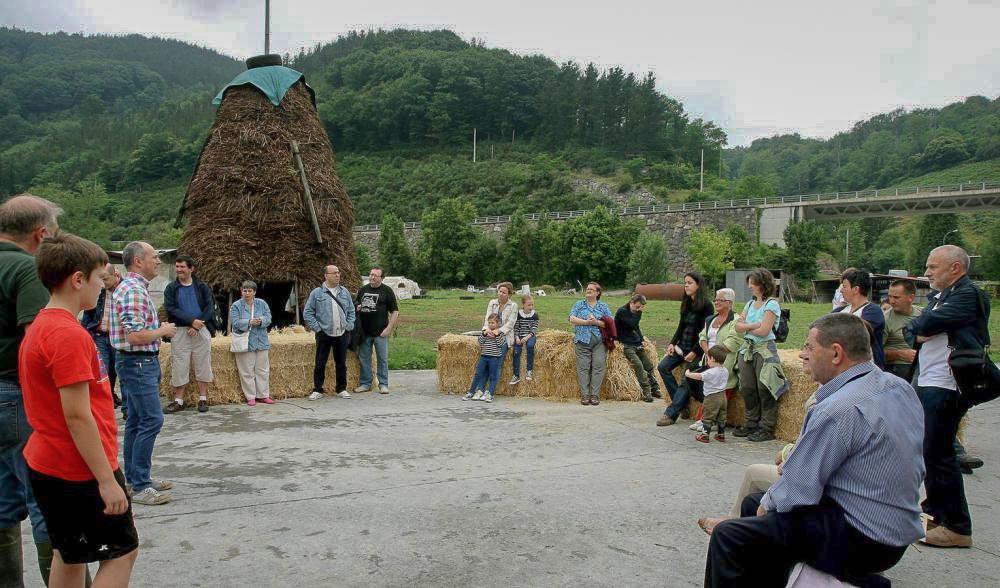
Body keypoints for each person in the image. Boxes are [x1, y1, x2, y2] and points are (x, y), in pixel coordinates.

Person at [705, 313, 925, 588]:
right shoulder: (899, 387)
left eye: (809, 347)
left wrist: (761, 513)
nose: (802, 354)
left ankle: (858, 579)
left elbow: (798, 489)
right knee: (753, 506)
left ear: (836, 353)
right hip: (895, 530)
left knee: (730, 536)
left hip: (864, 538)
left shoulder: (838, 409)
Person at [20, 233, 139, 587]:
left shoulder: (41, 325)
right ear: (77, 279)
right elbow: (77, 415)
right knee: (121, 553)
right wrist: (106, 480)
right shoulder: (69, 335)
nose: (102, 287)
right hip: (78, 468)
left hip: (49, 461)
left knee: (69, 552)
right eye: (99, 279)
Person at [904, 245, 991, 548]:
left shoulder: (969, 294)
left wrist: (923, 326)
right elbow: (910, 331)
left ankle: (956, 526)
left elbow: (923, 324)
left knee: (940, 453)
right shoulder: (940, 298)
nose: (926, 272)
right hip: (930, 380)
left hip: (948, 384)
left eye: (933, 267)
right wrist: (921, 327)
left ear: (955, 268)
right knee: (930, 450)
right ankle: (935, 514)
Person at [0, 194, 61, 585]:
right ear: (40, 234)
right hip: (16, 396)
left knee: (2, 504)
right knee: (47, 501)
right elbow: (38, 344)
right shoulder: (26, 267)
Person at [110, 241, 176, 506]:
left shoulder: (131, 288)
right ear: (138, 261)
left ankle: (136, 478)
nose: (158, 261)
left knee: (137, 421)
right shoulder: (134, 291)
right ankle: (140, 485)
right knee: (151, 420)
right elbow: (135, 335)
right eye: (154, 257)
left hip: (135, 362)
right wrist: (163, 331)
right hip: (138, 362)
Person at [732, 269, 788, 442]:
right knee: (747, 387)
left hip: (764, 349)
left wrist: (746, 326)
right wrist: (754, 325)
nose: (750, 286)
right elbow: (737, 327)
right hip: (747, 349)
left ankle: (766, 427)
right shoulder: (750, 304)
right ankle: (751, 423)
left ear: (763, 284)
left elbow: (764, 331)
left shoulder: (772, 304)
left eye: (753, 283)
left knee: (765, 388)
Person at [656, 272, 713, 426]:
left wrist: (695, 352)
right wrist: (672, 343)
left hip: (697, 350)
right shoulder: (687, 302)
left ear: (698, 285)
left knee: (685, 379)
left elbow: (705, 333)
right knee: (662, 367)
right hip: (682, 347)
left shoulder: (707, 306)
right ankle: (681, 404)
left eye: (689, 283)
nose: (686, 285)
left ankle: (671, 414)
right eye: (685, 282)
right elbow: (681, 326)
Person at [163, 255, 216, 414]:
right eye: (177, 267)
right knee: (179, 364)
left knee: (203, 363)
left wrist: (198, 325)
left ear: (191, 269)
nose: (179, 270)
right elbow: (171, 308)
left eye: (182, 267)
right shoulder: (171, 288)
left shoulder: (202, 287)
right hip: (180, 331)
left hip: (201, 329)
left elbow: (210, 307)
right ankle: (178, 400)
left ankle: (203, 398)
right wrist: (191, 321)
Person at [687, 288, 742, 431]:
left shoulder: (736, 321)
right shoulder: (710, 319)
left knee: (719, 392)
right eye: (715, 299)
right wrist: (708, 354)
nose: (716, 302)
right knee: (708, 391)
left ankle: (708, 421)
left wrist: (715, 357)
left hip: (724, 361)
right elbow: (702, 337)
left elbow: (732, 342)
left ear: (729, 303)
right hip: (709, 359)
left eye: (720, 300)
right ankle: (703, 419)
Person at [304, 265, 356, 400]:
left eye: (338, 272)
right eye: (334, 273)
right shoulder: (317, 293)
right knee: (320, 362)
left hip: (342, 332)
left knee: (341, 363)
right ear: (326, 275)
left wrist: (349, 325)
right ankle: (318, 389)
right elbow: (308, 312)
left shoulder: (344, 292)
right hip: (324, 333)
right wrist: (318, 328)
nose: (337, 275)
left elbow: (351, 310)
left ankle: (341, 389)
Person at [81, 263, 123, 411]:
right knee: (102, 370)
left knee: (117, 370)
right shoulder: (99, 290)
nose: (103, 283)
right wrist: (85, 330)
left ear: (116, 275)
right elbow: (88, 310)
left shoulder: (126, 290)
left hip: (117, 337)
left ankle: (122, 404)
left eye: (105, 279)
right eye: (101, 279)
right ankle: (105, 401)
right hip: (100, 335)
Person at [355, 267, 399, 394]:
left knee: (382, 359)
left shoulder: (387, 291)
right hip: (364, 332)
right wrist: (357, 307)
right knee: (364, 358)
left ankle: (383, 384)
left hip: (381, 332)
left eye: (375, 275)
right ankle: (365, 384)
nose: (372, 277)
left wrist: (389, 329)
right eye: (371, 274)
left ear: (382, 278)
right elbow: (356, 304)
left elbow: (395, 311)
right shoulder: (363, 290)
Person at [229, 280, 273, 406]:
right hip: (245, 342)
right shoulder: (236, 306)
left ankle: (263, 395)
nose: (247, 293)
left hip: (261, 341)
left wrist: (261, 320)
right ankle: (250, 396)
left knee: (262, 370)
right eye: (245, 291)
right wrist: (249, 322)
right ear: (241, 291)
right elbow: (235, 322)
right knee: (247, 371)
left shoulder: (262, 303)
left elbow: (268, 318)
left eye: (249, 291)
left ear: (254, 292)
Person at [568, 281, 612, 406]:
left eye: (591, 289)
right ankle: (585, 395)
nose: (588, 290)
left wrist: (596, 322)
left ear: (598, 293)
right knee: (583, 368)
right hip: (582, 340)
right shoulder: (579, 304)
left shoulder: (603, 306)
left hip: (599, 342)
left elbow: (609, 323)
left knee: (598, 366)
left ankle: (595, 395)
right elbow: (572, 318)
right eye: (587, 289)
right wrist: (586, 322)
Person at [835, 268, 886, 369]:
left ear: (856, 289)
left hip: (867, 369)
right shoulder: (840, 310)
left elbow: (857, 332)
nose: (841, 290)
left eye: (844, 287)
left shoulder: (873, 311)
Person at [614, 294, 660, 402]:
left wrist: (641, 339)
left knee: (648, 365)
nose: (639, 309)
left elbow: (636, 326)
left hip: (635, 342)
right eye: (637, 307)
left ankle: (655, 388)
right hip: (625, 343)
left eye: (641, 307)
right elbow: (632, 324)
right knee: (639, 365)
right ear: (631, 303)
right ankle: (646, 391)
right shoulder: (622, 311)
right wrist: (639, 312)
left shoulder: (635, 312)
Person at [684, 345, 729, 443]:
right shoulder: (725, 370)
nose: (707, 361)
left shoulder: (711, 372)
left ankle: (705, 436)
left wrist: (688, 374)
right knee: (721, 417)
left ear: (712, 358)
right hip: (723, 397)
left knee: (707, 416)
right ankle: (721, 435)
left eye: (708, 358)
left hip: (711, 397)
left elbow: (699, 376)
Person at [882, 279, 921, 380]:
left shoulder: (922, 313)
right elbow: (875, 352)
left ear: (911, 297)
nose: (891, 301)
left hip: (923, 364)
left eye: (896, 297)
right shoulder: (885, 319)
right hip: (898, 368)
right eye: (889, 296)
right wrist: (900, 354)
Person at [462, 314, 505, 403]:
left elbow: (500, 344)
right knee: (478, 374)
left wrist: (496, 335)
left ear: (498, 324)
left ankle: (490, 394)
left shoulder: (500, 334)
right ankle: (471, 392)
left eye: (493, 323)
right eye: (489, 323)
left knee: (493, 376)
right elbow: (480, 341)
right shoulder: (485, 332)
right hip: (484, 357)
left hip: (494, 358)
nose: (490, 325)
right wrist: (484, 334)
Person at [482, 281, 518, 365]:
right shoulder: (492, 303)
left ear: (509, 295)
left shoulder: (513, 306)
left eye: (504, 293)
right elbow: (487, 318)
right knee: (484, 361)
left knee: (497, 363)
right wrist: (487, 331)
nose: (501, 294)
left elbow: (510, 324)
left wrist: (498, 331)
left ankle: (495, 373)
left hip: (504, 336)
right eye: (500, 291)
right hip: (490, 333)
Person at [509, 295, 538, 385]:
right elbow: (516, 327)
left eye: (532, 305)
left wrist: (527, 337)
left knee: (530, 346)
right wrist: (517, 337)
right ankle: (516, 375)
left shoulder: (535, 315)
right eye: (529, 305)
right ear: (523, 305)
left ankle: (529, 370)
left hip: (530, 335)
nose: (531, 307)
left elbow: (534, 329)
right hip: (520, 336)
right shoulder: (518, 314)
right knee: (516, 351)